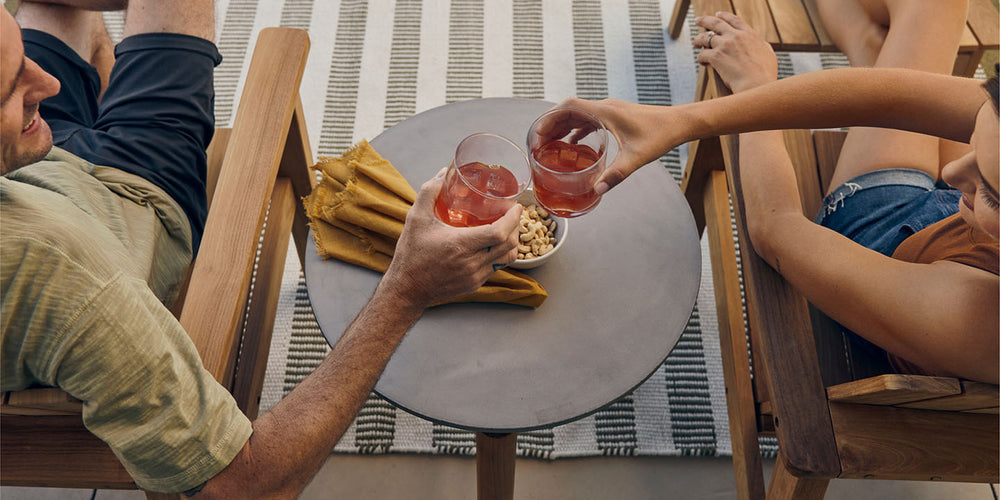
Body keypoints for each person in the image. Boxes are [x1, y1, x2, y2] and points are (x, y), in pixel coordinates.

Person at [1, 0, 521, 497]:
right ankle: (126, 116)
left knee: (54, 9)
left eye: (22, 59)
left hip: (37, 166)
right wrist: (408, 288)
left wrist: (12, 92)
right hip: (128, 188)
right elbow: (243, 486)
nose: (44, 83)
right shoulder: (61, 275)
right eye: (9, 90)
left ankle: (94, 101)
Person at [554, 3, 998, 384]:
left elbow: (775, 226)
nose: (952, 169)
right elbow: (892, 96)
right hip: (955, 231)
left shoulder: (978, 322)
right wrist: (681, 120)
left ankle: (875, 52)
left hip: (884, 240)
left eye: (995, 193)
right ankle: (871, 50)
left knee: (908, 70)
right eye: (977, 142)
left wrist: (756, 83)